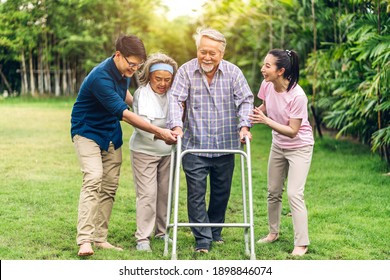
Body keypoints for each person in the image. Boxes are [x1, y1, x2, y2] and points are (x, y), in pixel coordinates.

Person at [70, 35, 177, 257]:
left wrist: (139, 100)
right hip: (87, 131)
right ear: (118, 55)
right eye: (132, 64)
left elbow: (125, 97)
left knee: (109, 187)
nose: (135, 69)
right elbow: (126, 116)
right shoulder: (101, 77)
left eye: (138, 65)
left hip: (111, 134)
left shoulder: (123, 72)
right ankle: (85, 240)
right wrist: (158, 130)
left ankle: (100, 238)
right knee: (93, 178)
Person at [167, 28, 254, 253]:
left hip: (226, 145)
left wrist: (244, 126)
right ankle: (202, 240)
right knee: (196, 193)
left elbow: (245, 100)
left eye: (212, 53)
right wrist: (177, 126)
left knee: (221, 192)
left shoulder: (234, 73)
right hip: (194, 145)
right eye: (202, 51)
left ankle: (215, 231)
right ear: (197, 50)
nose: (207, 57)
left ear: (221, 54)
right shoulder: (186, 71)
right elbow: (176, 100)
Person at [249, 49, 314, 256]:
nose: (263, 69)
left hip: (299, 147)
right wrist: (255, 115)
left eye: (268, 66)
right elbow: (266, 106)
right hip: (278, 145)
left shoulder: (297, 96)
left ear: (281, 71)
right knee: (273, 191)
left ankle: (301, 243)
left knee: (295, 193)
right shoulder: (267, 85)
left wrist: (266, 121)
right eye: (263, 64)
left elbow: (294, 131)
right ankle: (273, 233)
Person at [129, 53, 178, 252]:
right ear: (149, 76)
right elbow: (141, 126)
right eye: (158, 79)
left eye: (167, 80)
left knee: (165, 194)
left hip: (168, 152)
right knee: (148, 194)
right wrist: (161, 135)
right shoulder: (141, 94)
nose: (162, 84)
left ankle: (161, 232)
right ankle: (143, 238)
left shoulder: (175, 95)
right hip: (144, 151)